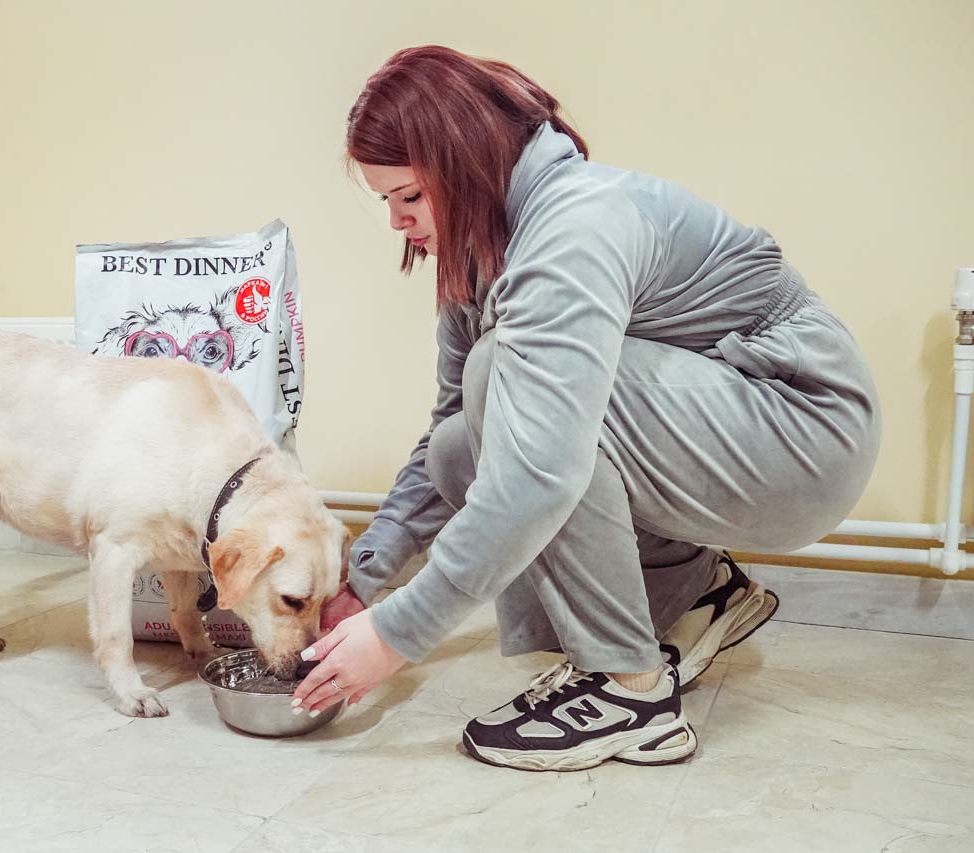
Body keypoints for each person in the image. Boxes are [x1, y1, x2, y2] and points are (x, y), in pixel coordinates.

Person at [291, 45, 880, 772]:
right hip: (725, 424)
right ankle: (700, 590)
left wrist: (396, 634)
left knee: (507, 378)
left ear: (464, 165)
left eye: (408, 196)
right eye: (386, 202)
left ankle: (632, 691)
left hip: (804, 429)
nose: (396, 222)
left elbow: (540, 472)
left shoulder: (574, 226)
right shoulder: (485, 253)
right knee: (459, 445)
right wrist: (362, 581)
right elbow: (450, 429)